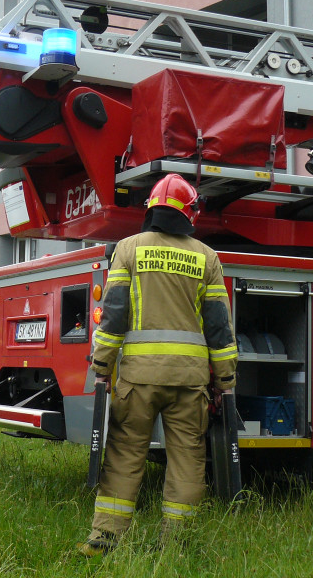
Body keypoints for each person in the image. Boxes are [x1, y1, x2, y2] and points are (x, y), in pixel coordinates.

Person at [78, 174, 238, 556]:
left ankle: (104, 540)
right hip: (190, 383)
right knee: (187, 460)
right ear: (190, 214)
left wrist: (102, 366)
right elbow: (218, 325)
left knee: (123, 456)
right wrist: (227, 379)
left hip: (138, 380)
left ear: (150, 209)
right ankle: (176, 545)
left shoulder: (128, 249)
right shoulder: (206, 257)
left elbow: (114, 315)